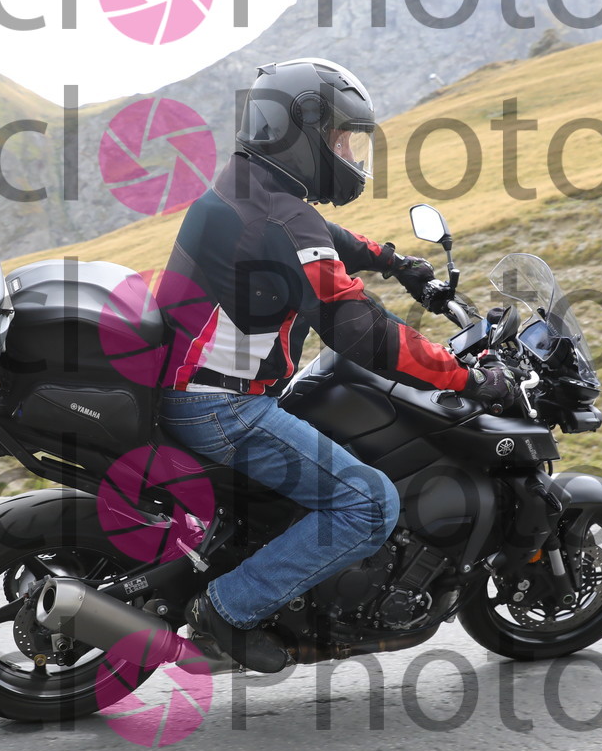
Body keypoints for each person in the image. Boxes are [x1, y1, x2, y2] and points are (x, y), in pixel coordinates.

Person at [157, 57, 513, 672]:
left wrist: (392, 260)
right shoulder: (281, 217)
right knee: (369, 504)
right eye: (341, 139)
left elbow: (322, 236)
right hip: (220, 406)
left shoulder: (248, 186)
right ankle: (227, 611)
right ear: (301, 134)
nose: (349, 155)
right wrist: (468, 377)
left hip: (187, 386)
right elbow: (362, 332)